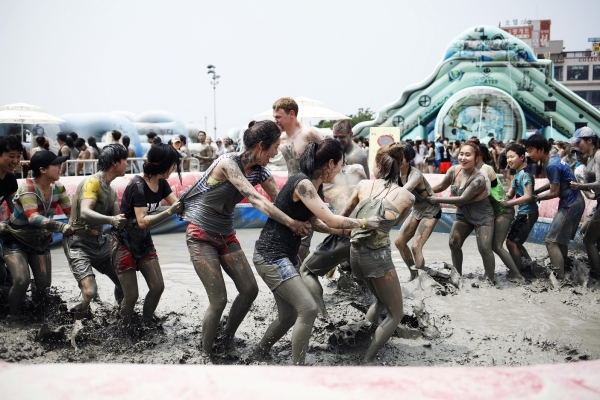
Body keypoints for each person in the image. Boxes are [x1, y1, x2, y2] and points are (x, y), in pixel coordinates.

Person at [179, 120, 310, 357]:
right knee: (219, 300)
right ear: (261, 146)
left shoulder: (261, 171)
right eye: (274, 147)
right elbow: (256, 200)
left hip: (226, 235)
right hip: (201, 235)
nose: (276, 153)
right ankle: (204, 355)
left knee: (249, 290)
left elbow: (281, 202)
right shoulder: (227, 163)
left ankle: (226, 338)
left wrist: (310, 220)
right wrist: (291, 223)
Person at [253, 139, 378, 364]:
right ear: (331, 163)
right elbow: (330, 217)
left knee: (289, 316)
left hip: (283, 256)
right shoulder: (303, 184)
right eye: (341, 165)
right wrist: (363, 223)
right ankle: (299, 368)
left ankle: (259, 352)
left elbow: (319, 223)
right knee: (308, 309)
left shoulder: (313, 185)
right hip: (271, 256)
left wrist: (346, 233)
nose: (341, 171)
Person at [338, 142, 414, 362]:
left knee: (380, 301)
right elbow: (394, 223)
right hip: (378, 258)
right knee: (396, 313)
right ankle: (367, 360)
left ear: (378, 165)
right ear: (401, 165)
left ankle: (362, 341)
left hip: (355, 254)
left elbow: (343, 219)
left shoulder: (362, 185)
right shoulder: (407, 197)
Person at [111, 144, 183, 326]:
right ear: (164, 164)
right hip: (123, 242)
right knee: (132, 295)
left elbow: (177, 204)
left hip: (143, 241)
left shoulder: (162, 183)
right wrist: (169, 212)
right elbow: (142, 220)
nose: (174, 169)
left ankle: (146, 323)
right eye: (173, 165)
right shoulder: (138, 185)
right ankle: (124, 329)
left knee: (158, 287)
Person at [63, 144, 129, 320]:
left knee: (125, 284)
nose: (127, 164)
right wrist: (111, 220)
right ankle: (75, 320)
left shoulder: (111, 191)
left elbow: (119, 219)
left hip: (100, 242)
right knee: (90, 291)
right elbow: (85, 211)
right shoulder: (92, 182)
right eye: (125, 160)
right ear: (115, 163)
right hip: (78, 242)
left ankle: (120, 317)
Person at [4, 151, 73, 316]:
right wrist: (61, 227)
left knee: (43, 287)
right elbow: (33, 217)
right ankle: (13, 316)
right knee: (22, 280)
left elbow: (72, 214)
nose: (60, 167)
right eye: (56, 164)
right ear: (43, 169)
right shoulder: (28, 187)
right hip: (16, 238)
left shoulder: (58, 187)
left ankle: (37, 316)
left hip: (41, 240)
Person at [299, 162, 368, 316]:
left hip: (345, 233)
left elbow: (313, 215)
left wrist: (304, 241)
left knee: (306, 271)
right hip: (368, 231)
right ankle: (375, 312)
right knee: (363, 279)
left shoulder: (322, 180)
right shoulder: (358, 170)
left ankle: (322, 317)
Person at [428, 142, 495, 282]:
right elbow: (441, 185)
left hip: (482, 215)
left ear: (477, 158)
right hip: (464, 214)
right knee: (453, 242)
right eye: (461, 154)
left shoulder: (479, 179)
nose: (463, 158)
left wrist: (436, 200)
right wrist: (424, 191)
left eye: (468, 155)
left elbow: (464, 198)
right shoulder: (454, 170)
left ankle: (490, 279)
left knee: (484, 248)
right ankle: (457, 275)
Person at [272, 97, 324, 263]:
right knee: (288, 241)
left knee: (303, 243)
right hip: (290, 193)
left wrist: (319, 184)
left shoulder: (309, 134)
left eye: (278, 116)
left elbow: (332, 157)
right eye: (274, 117)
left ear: (291, 114)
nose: (276, 120)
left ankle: (305, 277)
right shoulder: (279, 138)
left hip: (310, 192)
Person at [526, 134, 584, 279]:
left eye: (531, 150)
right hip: (575, 202)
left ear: (540, 149)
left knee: (551, 240)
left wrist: (536, 198)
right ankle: (565, 272)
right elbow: (554, 182)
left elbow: (554, 192)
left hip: (571, 204)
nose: (529, 154)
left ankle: (559, 277)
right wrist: (537, 191)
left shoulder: (551, 164)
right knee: (561, 240)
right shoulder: (554, 159)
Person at [476, 143, 524, 281]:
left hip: (504, 211)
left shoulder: (485, 169)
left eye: (469, 154)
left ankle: (517, 275)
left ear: (478, 156)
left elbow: (485, 189)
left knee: (497, 246)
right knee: (490, 246)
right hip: (498, 211)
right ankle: (520, 268)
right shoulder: (476, 170)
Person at [395, 145, 441, 281]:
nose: (397, 160)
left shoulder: (415, 174)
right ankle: (413, 275)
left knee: (416, 247)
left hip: (431, 210)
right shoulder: (396, 173)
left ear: (408, 158)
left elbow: (403, 192)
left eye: (400, 157)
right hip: (417, 209)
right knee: (399, 242)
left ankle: (422, 281)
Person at [499, 143, 538, 275]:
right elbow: (509, 194)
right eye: (507, 157)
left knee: (512, 243)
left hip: (527, 213)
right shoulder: (517, 175)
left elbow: (528, 196)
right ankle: (529, 268)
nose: (509, 160)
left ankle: (518, 272)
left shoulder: (525, 175)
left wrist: (509, 204)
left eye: (512, 157)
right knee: (515, 242)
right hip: (523, 212)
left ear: (522, 157)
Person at [567, 127, 600, 279]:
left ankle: (596, 276)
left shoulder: (598, 156)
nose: (577, 147)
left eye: (579, 143)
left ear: (590, 140)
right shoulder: (590, 160)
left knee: (588, 240)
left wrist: (580, 186)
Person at [0, 136, 23, 285]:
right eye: (11, 156)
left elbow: (16, 210)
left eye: (18, 156)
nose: (15, 160)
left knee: (3, 274)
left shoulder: (10, 179)